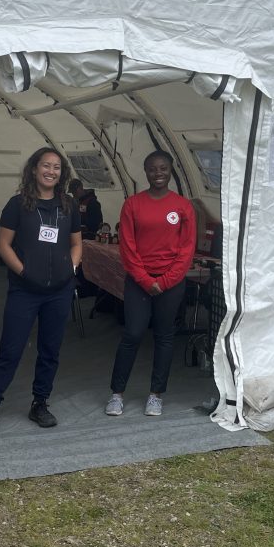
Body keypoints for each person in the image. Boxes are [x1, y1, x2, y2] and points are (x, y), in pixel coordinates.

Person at [0, 148, 83, 439]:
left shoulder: (68, 206)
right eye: (46, 166)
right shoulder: (17, 205)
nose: (51, 171)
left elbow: (76, 244)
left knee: (50, 350)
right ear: (34, 169)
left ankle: (40, 403)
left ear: (62, 174)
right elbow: (3, 245)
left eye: (57, 167)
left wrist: (70, 269)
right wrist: (24, 272)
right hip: (25, 291)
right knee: (10, 349)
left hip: (59, 292)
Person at [106, 150, 196, 418]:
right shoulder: (133, 204)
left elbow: (187, 249)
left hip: (171, 283)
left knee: (164, 337)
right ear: (145, 172)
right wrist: (145, 280)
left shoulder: (183, 206)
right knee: (132, 334)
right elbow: (127, 246)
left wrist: (166, 280)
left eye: (163, 168)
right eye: (153, 169)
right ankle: (116, 394)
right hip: (139, 282)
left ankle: (156, 395)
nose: (158, 173)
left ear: (171, 171)